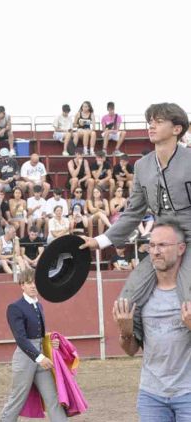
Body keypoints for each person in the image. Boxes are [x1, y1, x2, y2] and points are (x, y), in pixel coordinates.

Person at [81, 103, 191, 326]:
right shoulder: (142, 166)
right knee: (125, 302)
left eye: (159, 121)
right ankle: (140, 346)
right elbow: (133, 213)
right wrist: (100, 240)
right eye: (150, 121)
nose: (151, 125)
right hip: (161, 244)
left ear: (177, 129)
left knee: (188, 300)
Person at [113, 219, 191, 422]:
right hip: (152, 394)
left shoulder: (188, 295)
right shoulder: (140, 296)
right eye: (152, 245)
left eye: (163, 245)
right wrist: (125, 332)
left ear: (181, 248)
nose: (155, 251)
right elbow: (130, 350)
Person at [0, 269, 94, 422]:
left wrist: (51, 342)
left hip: (40, 355)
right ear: (22, 285)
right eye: (28, 282)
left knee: (53, 398)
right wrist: (40, 357)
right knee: (16, 399)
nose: (33, 285)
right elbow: (21, 339)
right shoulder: (15, 307)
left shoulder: (38, 305)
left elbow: (39, 335)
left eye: (35, 282)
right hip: (26, 359)